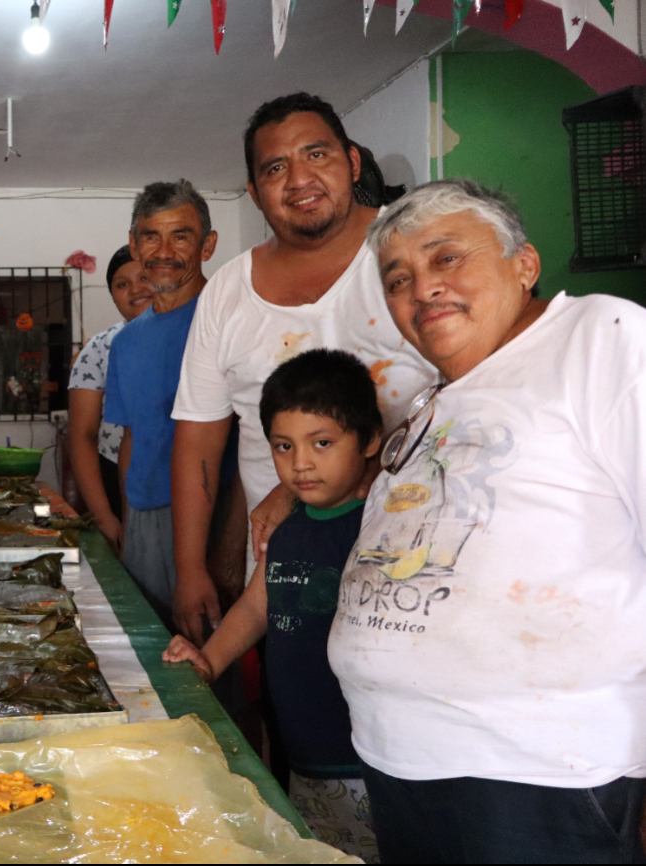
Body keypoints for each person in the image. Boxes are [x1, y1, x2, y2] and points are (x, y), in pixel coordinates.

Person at [330, 179, 646, 864]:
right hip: (399, 760)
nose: (422, 289)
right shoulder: (427, 403)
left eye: (447, 259)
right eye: (399, 278)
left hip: (537, 774)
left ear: (523, 264)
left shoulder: (604, 339)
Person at [168, 92, 437, 642]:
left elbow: (474, 392)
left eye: (317, 155)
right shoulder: (227, 292)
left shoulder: (413, 250)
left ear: (352, 162)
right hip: (281, 583)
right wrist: (190, 566)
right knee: (292, 715)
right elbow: (199, 439)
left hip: (417, 572)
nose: (298, 179)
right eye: (275, 167)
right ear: (254, 192)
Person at [164, 349, 381, 861]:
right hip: (296, 748)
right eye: (284, 446)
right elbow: (255, 608)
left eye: (322, 443)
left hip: (363, 759)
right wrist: (211, 660)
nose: (300, 462)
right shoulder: (287, 530)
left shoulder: (379, 529)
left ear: (370, 440)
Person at [103, 180, 221, 622]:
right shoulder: (127, 341)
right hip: (144, 519)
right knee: (152, 651)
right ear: (134, 246)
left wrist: (227, 549)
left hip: (216, 514)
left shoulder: (229, 317)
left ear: (207, 245)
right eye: (151, 236)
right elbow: (131, 439)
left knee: (209, 663)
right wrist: (126, 521)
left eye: (181, 235)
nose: (165, 251)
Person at [67, 245, 154, 552]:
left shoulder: (197, 335)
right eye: (122, 284)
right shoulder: (100, 349)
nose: (135, 290)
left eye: (144, 277)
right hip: (116, 476)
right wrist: (104, 517)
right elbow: (82, 436)